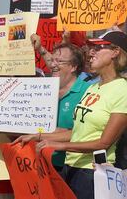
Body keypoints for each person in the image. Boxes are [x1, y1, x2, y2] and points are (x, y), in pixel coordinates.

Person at [14, 31, 127, 199]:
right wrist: (37, 136)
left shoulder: (122, 90)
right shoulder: (93, 87)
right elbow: (77, 132)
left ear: (115, 52)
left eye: (98, 48)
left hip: (94, 173)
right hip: (71, 167)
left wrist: (61, 146)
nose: (91, 52)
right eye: (91, 48)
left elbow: (104, 142)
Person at [30, 35, 92, 170]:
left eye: (59, 61)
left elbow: (86, 134)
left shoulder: (88, 92)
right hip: (42, 162)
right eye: (52, 60)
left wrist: (48, 134)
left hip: (73, 167)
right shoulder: (43, 90)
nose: (52, 64)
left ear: (73, 67)